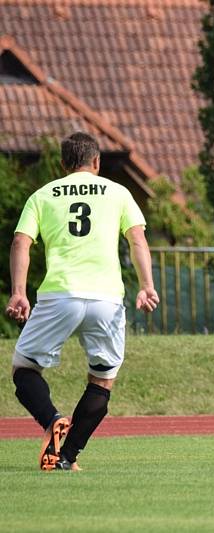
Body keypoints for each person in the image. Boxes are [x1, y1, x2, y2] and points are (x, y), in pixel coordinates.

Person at [6, 132, 159, 471]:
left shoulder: (43, 195)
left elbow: (21, 242)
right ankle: (67, 456)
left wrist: (19, 292)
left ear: (64, 164)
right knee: (102, 380)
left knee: (24, 369)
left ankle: (52, 420)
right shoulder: (118, 192)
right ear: (97, 162)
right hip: (107, 298)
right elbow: (137, 240)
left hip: (61, 294)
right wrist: (146, 285)